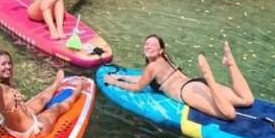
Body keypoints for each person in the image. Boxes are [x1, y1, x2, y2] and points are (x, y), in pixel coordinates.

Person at [103, 34, 254, 121]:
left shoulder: (152, 67)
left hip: (187, 92)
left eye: (153, 44)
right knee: (246, 100)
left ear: (161, 50)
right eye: (146, 44)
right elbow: (142, 79)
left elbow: (137, 88)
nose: (148, 46)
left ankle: (209, 77)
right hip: (195, 83)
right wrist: (121, 76)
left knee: (229, 114)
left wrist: (114, 82)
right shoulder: (165, 59)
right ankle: (230, 64)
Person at [0, 49, 68, 138]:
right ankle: (78, 88)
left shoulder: (0, 87)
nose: (8, 66)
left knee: (42, 99)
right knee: (57, 108)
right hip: (31, 132)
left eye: (9, 63)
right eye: (3, 64)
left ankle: (56, 84)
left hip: (11, 128)